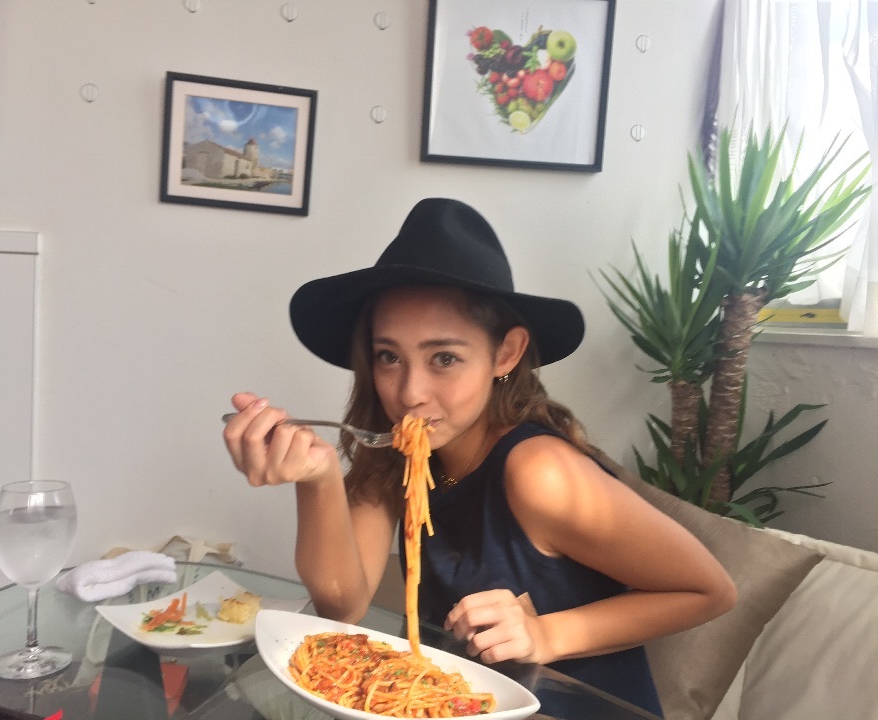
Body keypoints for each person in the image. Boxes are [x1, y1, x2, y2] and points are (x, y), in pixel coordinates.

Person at [223, 197, 736, 715]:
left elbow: (709, 590)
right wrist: (317, 479)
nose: (410, 392)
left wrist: (545, 634)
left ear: (505, 353)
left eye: (444, 358)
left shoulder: (540, 472)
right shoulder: (401, 457)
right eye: (389, 356)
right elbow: (343, 605)